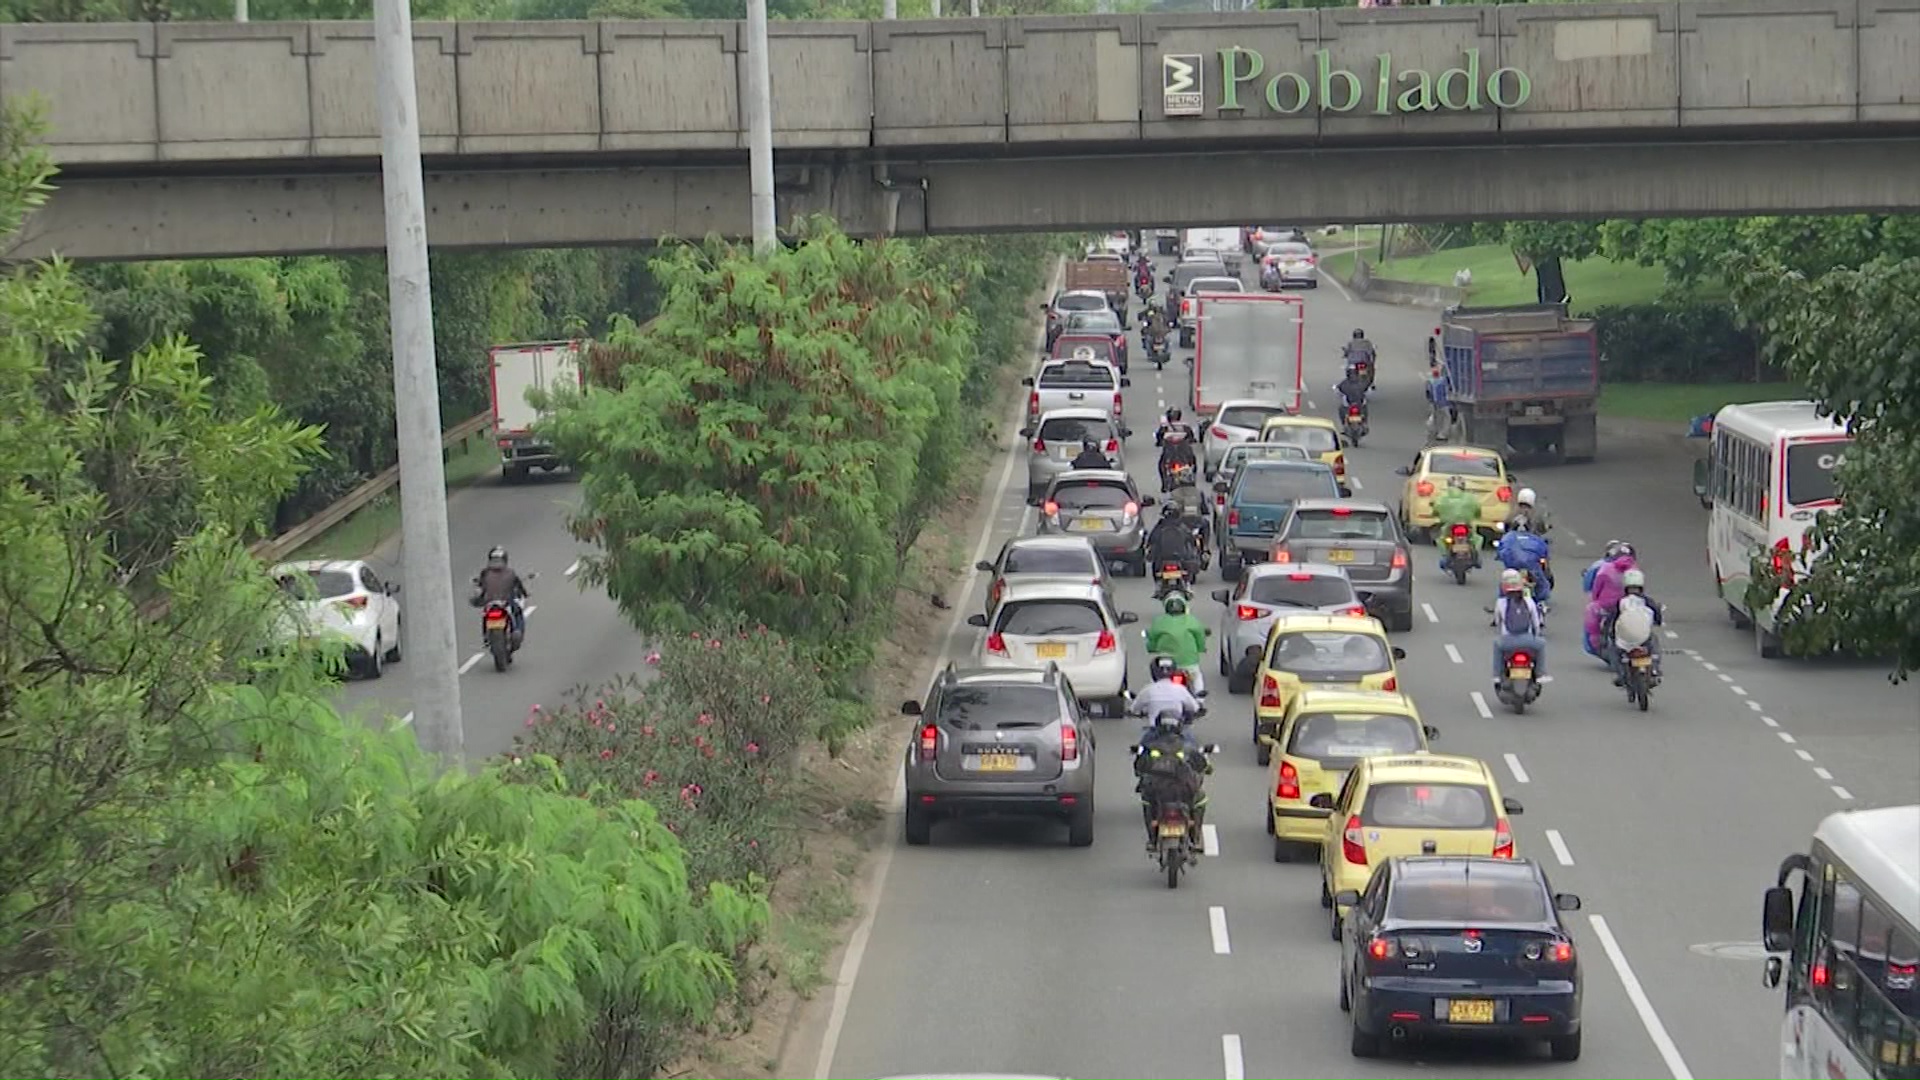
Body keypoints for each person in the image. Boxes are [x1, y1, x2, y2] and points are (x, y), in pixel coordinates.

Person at [1134, 710, 1211, 849]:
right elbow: (1201, 765)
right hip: (1184, 790)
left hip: (1156, 791)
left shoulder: (1150, 744)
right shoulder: (1188, 745)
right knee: (1201, 799)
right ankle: (1196, 837)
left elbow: (1139, 767)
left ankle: (1152, 839)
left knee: (1146, 801)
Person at [1607, 568, 1665, 684]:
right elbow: (1657, 614)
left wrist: (1611, 633)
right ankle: (1654, 668)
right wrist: (1658, 622)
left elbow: (1613, 619)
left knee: (1615, 650)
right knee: (1654, 647)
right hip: (1644, 636)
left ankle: (1621, 674)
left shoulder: (1621, 602)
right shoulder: (1647, 601)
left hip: (1625, 637)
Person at [1492, 569, 1547, 683]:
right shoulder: (1529, 601)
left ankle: (1497, 675)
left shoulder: (1500, 602)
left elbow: (1497, 621)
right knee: (1541, 645)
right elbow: (1536, 623)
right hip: (1527, 640)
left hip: (1507, 642)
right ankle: (1540, 674)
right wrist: (1535, 636)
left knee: (1497, 646)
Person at [1146, 593, 1210, 692]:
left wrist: (1151, 649)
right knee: (1197, 677)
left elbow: (1151, 640)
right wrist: (1201, 648)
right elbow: (1200, 638)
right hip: (1189, 662)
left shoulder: (1158, 622)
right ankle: (1199, 699)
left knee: (1154, 681)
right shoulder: (1192, 620)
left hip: (1165, 663)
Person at [1584, 543, 1638, 657]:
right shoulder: (1635, 570)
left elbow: (1595, 589)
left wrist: (1595, 600)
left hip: (1607, 605)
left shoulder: (1605, 568)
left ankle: (1594, 643)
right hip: (1628, 605)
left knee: (1591, 612)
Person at [472, 546, 530, 641]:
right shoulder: (510, 572)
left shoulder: (485, 573)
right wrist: (525, 594)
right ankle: (518, 630)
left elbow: (480, 587)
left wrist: (479, 599)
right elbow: (519, 586)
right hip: (505, 602)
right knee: (518, 613)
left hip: (490, 602)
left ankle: (486, 637)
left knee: (485, 614)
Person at [1132, 655, 1205, 729]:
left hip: (1155, 730)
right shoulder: (1181, 689)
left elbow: (1134, 709)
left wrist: (1135, 712)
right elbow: (1194, 707)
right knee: (1189, 739)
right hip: (1177, 730)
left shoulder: (1148, 689)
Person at [1146, 504, 1201, 593]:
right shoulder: (1182, 526)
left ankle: (1158, 585)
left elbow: (1152, 539)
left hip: (1164, 559)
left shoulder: (1160, 526)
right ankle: (1186, 585)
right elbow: (1191, 539)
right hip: (1179, 559)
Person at [1494, 524, 1553, 607]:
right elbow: (1544, 552)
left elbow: (1501, 550)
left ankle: (1501, 601)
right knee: (1542, 583)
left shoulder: (1508, 537)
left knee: (1505, 580)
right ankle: (1541, 602)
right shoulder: (1535, 538)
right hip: (1531, 564)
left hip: (1513, 564)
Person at [1433, 476, 1484, 569]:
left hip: (1449, 525)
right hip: (1467, 524)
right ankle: (1476, 556)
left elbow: (1435, 510)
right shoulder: (1470, 497)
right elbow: (1478, 511)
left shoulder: (1442, 497)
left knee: (1442, 539)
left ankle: (1445, 557)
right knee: (1476, 538)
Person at [1157, 427, 1198, 491]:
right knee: (1162, 464)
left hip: (1181, 456)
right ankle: (1164, 483)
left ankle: (1164, 484)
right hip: (1173, 456)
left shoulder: (1184, 427)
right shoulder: (1165, 427)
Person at [1424, 362, 1454, 442]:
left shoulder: (1430, 381)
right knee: (1446, 418)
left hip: (1436, 403)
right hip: (1444, 403)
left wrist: (1431, 402)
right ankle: (1443, 434)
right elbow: (1449, 390)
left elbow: (1428, 393)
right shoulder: (1443, 380)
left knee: (1436, 418)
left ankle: (1435, 432)